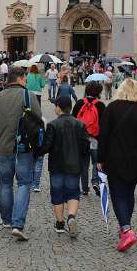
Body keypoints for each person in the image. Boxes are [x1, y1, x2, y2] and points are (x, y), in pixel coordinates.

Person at [0, 66, 43, 241]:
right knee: (24, 184)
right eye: (24, 78)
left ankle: (6, 220)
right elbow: (38, 123)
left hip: (2, 149)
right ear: (20, 79)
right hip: (24, 149)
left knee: (6, 184)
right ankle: (18, 223)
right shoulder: (29, 97)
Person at [96, 78, 137, 252]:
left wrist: (99, 159)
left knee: (117, 195)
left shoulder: (111, 108)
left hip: (113, 159)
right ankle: (125, 227)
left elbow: (104, 135)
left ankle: (126, 229)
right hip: (136, 161)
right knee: (128, 192)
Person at [42, 94, 89, 237]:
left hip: (57, 165)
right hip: (74, 165)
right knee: (73, 191)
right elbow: (85, 146)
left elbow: (46, 146)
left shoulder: (52, 125)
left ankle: (60, 223)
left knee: (57, 193)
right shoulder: (80, 124)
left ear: (58, 108)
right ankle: (72, 217)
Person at [72, 81, 106, 196]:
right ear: (99, 92)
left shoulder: (80, 103)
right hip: (95, 139)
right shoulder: (100, 105)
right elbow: (104, 125)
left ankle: (85, 188)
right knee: (96, 162)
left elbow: (73, 120)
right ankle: (95, 181)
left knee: (84, 164)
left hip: (81, 139)